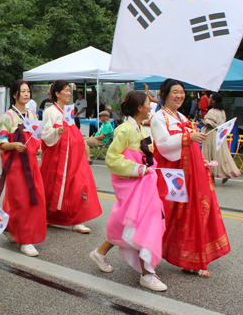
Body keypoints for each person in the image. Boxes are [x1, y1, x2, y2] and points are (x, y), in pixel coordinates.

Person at [151, 79, 230, 278]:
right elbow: (163, 146)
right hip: (172, 174)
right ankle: (146, 252)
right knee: (169, 214)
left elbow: (190, 146)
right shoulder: (159, 117)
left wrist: (201, 158)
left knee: (194, 213)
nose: (179, 96)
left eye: (182, 92)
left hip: (191, 172)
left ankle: (191, 260)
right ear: (165, 94)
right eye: (175, 92)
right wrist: (188, 138)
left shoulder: (182, 116)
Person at [89, 91, 167, 291]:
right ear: (139, 107)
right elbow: (112, 158)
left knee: (129, 224)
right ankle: (147, 274)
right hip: (134, 183)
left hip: (142, 184)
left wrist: (146, 168)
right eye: (149, 104)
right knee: (142, 224)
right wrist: (139, 169)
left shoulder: (140, 128)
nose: (151, 107)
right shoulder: (125, 129)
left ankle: (100, 253)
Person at [40, 80, 102, 233]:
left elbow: (72, 131)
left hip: (73, 157)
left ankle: (76, 220)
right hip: (58, 158)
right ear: (57, 93)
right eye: (66, 90)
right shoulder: (50, 111)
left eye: (69, 90)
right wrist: (56, 132)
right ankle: (48, 216)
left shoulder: (68, 110)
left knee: (76, 186)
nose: (69, 93)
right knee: (53, 187)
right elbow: (44, 134)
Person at [0, 80, 46, 257]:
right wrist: (14, 145)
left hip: (31, 164)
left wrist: (38, 147)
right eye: (22, 91)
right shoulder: (7, 117)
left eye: (28, 91)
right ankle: (25, 240)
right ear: (15, 94)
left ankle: (10, 228)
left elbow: (36, 137)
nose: (26, 94)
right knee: (21, 200)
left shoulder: (32, 114)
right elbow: (1, 143)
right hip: (16, 167)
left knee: (35, 198)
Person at [201, 93, 240, 184]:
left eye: (210, 98)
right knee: (222, 154)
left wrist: (203, 121)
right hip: (221, 134)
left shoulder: (212, 111)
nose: (209, 100)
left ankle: (211, 177)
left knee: (209, 155)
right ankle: (226, 171)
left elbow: (209, 124)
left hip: (211, 134)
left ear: (214, 100)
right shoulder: (222, 111)